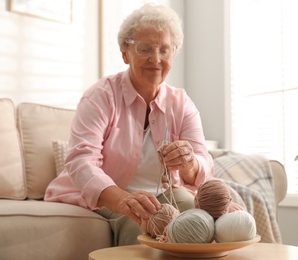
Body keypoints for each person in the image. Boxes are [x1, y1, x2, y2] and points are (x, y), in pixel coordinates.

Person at [44, 3, 214, 246]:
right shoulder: (101, 96)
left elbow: (203, 160)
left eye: (164, 50)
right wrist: (123, 199)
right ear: (125, 52)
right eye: (145, 49)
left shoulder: (181, 102)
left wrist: (189, 164)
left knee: (199, 218)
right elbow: (81, 160)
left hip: (164, 193)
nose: (156, 59)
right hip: (111, 193)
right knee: (141, 218)